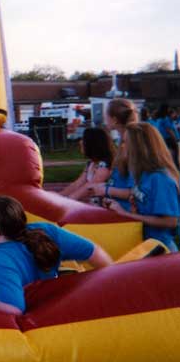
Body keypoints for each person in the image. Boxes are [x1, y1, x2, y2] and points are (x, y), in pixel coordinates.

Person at [0, 195, 113, 314]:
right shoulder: (45, 231)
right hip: (47, 293)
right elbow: (94, 252)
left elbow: (13, 308)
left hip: (20, 302)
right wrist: (114, 282)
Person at [100, 123, 180, 252]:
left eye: (125, 142)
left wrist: (126, 214)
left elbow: (170, 221)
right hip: (144, 245)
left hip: (160, 249)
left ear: (138, 147)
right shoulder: (142, 173)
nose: (122, 146)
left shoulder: (160, 178)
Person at [59, 127, 114, 203]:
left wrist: (67, 201)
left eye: (84, 140)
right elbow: (77, 184)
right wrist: (59, 196)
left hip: (103, 210)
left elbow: (89, 187)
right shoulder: (91, 164)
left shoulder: (104, 166)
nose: (80, 142)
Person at [154, 104, 179, 169]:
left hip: (162, 139)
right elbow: (169, 130)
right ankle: (176, 167)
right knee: (174, 153)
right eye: (168, 108)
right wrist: (175, 139)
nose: (169, 110)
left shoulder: (158, 118)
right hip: (168, 139)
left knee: (165, 154)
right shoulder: (165, 119)